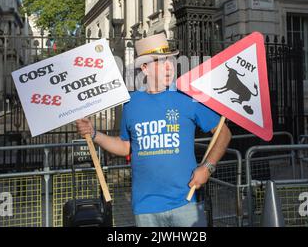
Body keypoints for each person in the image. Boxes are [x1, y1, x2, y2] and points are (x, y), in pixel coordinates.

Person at [77, 34, 232, 227]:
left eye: (170, 60)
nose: (169, 66)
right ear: (145, 68)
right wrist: (94, 134)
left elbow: (224, 133)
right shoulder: (132, 103)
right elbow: (127, 147)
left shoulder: (188, 98)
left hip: (186, 203)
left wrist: (207, 168)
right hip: (145, 207)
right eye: (159, 62)